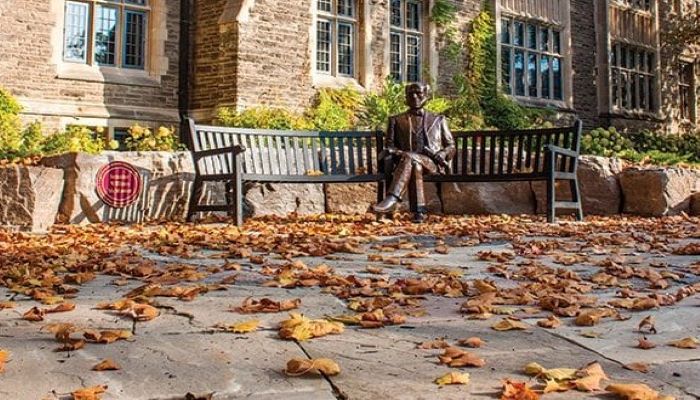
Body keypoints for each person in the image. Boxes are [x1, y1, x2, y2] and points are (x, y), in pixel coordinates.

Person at [372, 83, 455, 222]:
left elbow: (451, 145)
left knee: (411, 158)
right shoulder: (395, 120)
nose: (414, 96)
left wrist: (443, 153)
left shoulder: (438, 120)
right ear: (406, 97)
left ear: (426, 95)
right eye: (411, 94)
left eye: (418, 93)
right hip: (408, 163)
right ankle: (419, 213)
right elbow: (390, 147)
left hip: (432, 164)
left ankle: (393, 198)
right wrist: (400, 153)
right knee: (414, 163)